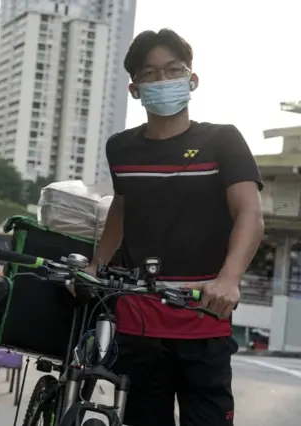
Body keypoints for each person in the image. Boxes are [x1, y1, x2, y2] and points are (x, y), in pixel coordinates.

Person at [87, 29, 264, 426]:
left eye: (173, 70)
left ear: (192, 79)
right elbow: (123, 206)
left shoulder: (223, 141)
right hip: (138, 316)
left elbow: (250, 214)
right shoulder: (121, 148)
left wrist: (229, 279)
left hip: (203, 313)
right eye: (150, 74)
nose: (163, 81)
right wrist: (96, 265)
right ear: (135, 89)